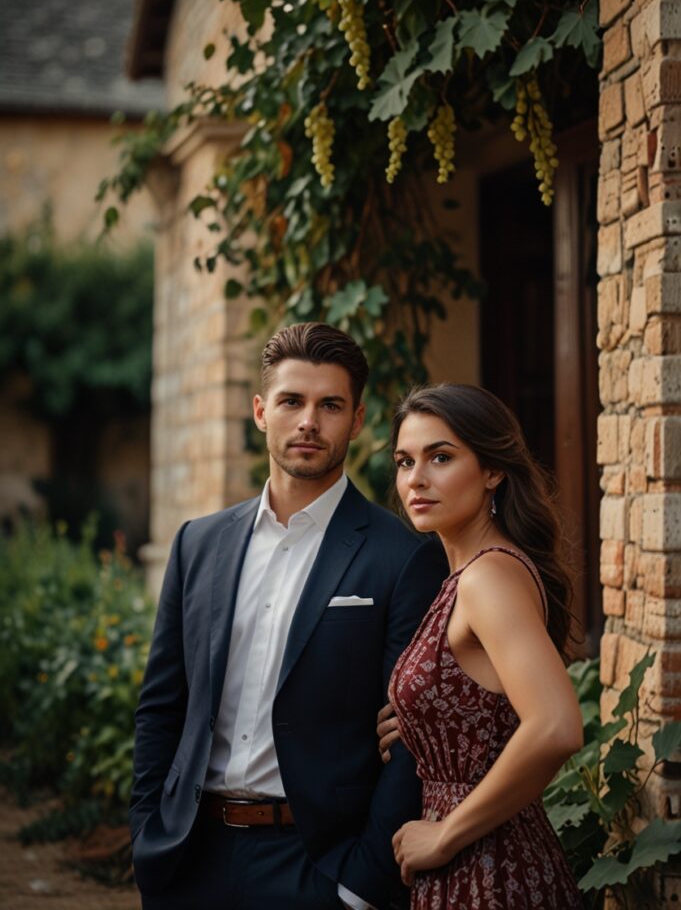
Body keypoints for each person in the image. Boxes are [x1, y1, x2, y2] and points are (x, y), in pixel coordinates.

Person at [130, 323, 449, 910]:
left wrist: (360, 884)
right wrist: (148, 835)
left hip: (317, 865)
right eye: (291, 401)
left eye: (330, 405)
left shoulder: (403, 558)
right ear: (260, 411)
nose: (309, 421)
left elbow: (410, 739)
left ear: (355, 421)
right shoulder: (196, 544)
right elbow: (162, 705)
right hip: (189, 857)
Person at [378, 383, 583, 909]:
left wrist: (445, 834)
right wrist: (424, 715)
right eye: (404, 462)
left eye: (440, 457)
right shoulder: (474, 572)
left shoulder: (487, 576)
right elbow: (489, 697)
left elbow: (556, 725)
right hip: (477, 860)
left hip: (491, 869)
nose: (416, 479)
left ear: (493, 470)